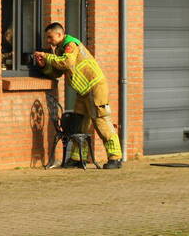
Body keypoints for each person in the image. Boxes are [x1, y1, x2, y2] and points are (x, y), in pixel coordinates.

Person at [33, 22, 122, 169]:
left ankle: (115, 157)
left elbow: (67, 63)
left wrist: (47, 56)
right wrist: (44, 65)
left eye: (50, 37)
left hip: (95, 87)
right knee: (79, 123)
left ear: (59, 35)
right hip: (83, 91)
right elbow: (58, 71)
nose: (48, 41)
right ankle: (78, 158)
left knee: (101, 121)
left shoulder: (71, 45)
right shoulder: (61, 49)